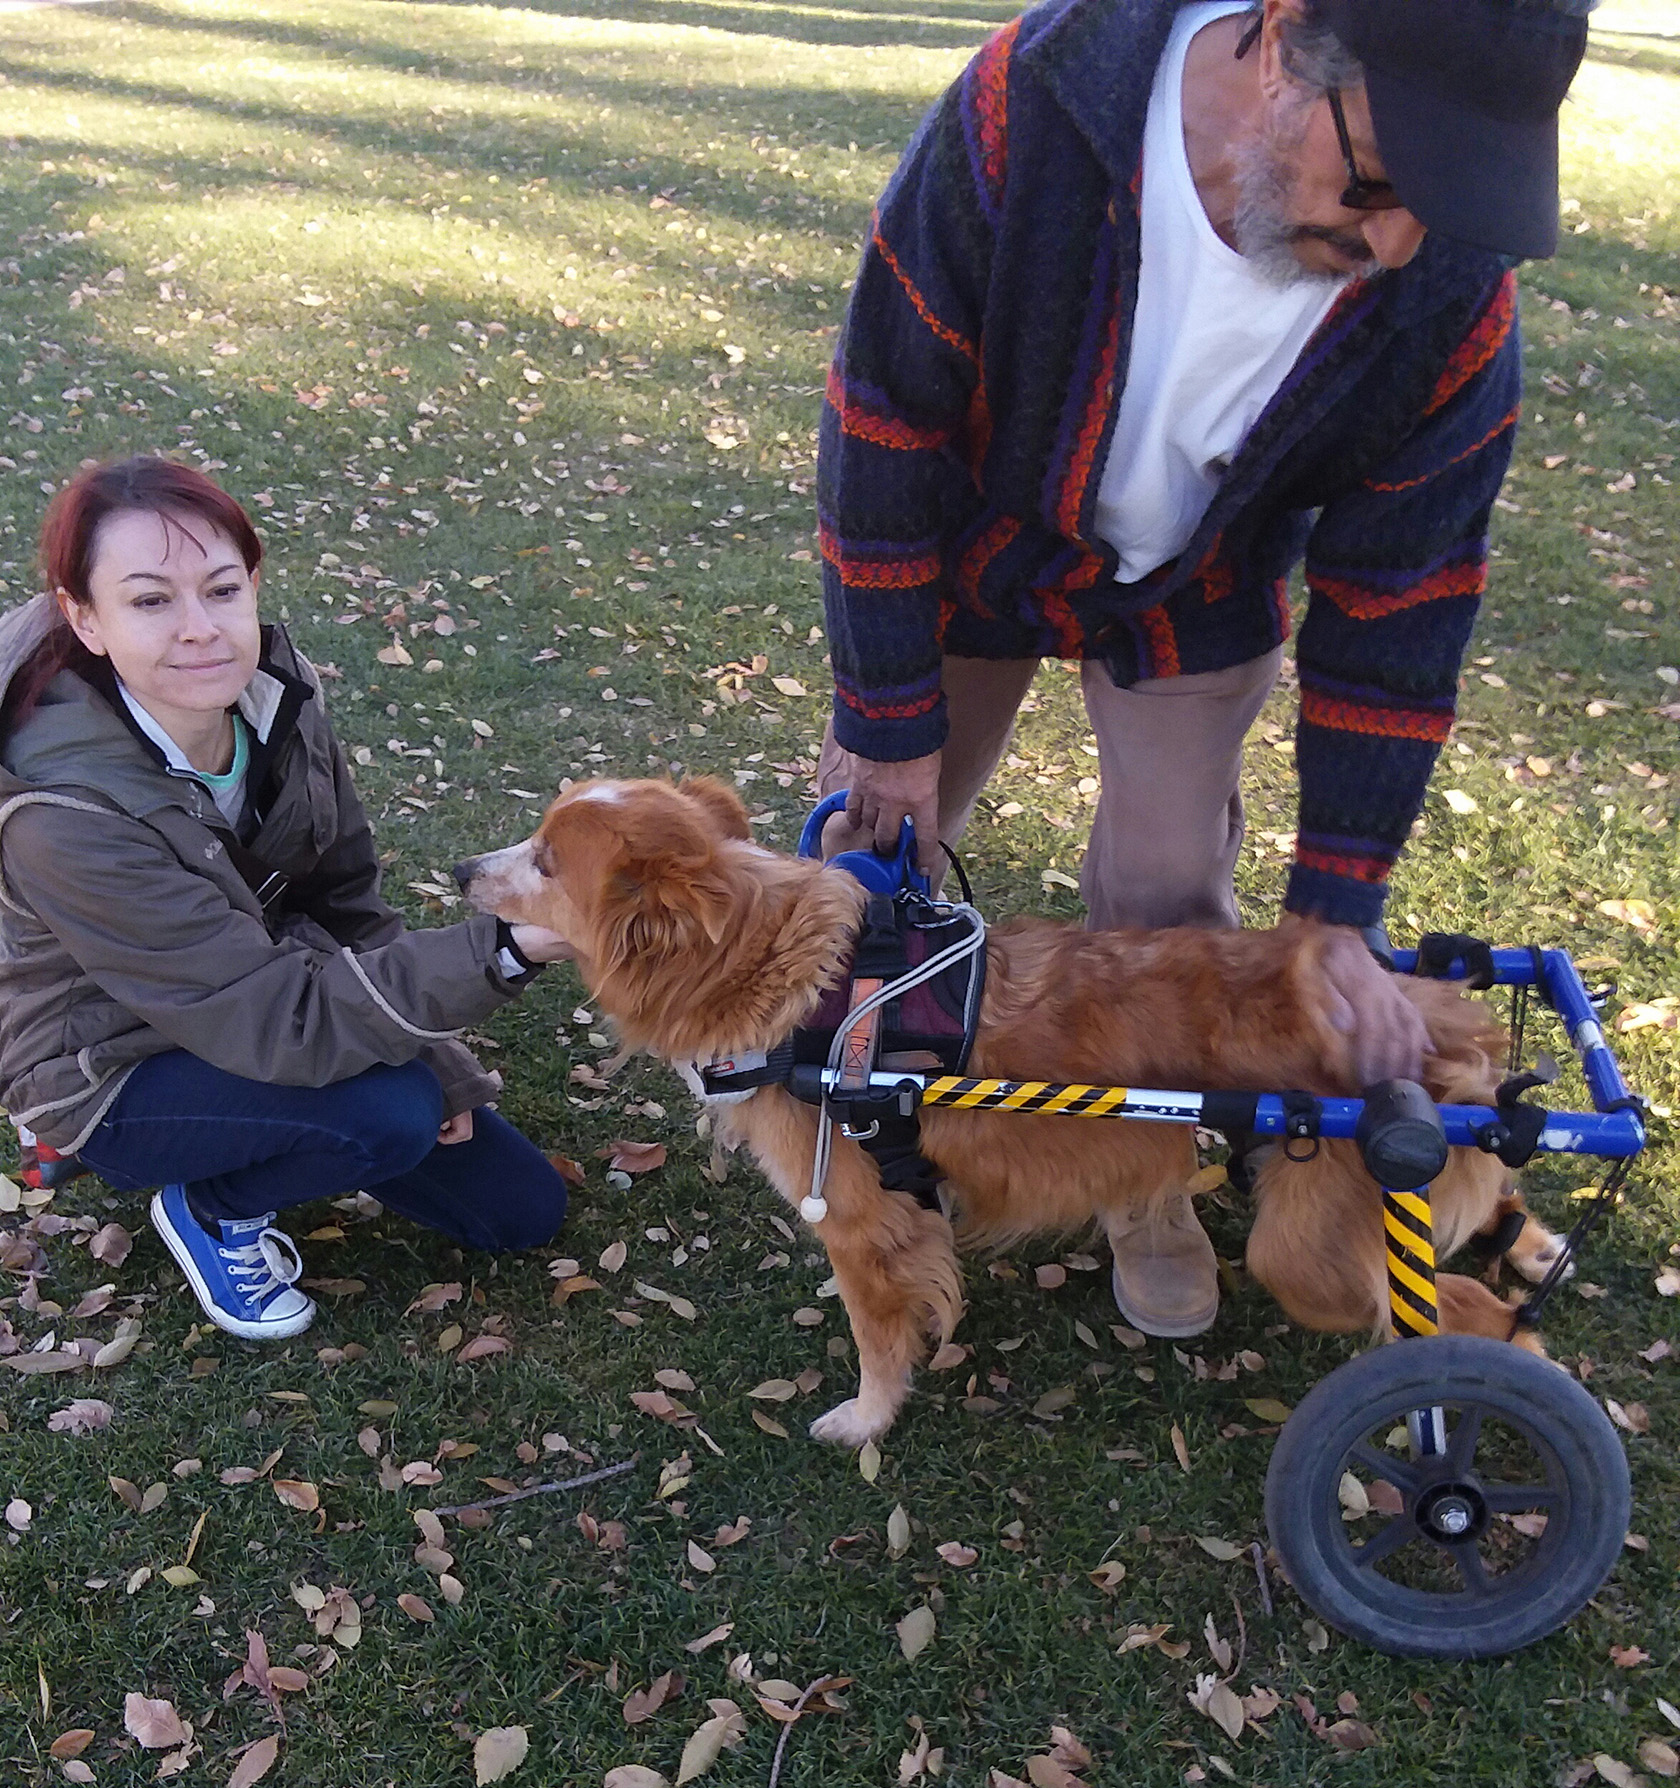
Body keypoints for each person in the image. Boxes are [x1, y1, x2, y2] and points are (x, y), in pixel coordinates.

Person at [815, 0, 1591, 1334]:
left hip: (1202, 589)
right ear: (1283, 39)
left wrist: (1336, 911)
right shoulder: (1036, 101)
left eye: (1447, 203)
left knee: (1170, 898)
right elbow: (886, 410)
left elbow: (1402, 602)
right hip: (976, 546)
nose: (1396, 243)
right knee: (871, 857)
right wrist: (887, 722)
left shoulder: (1447, 285)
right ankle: (872, 1135)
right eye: (1379, 181)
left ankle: (1144, 1174)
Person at [0, 457, 575, 1342]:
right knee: (389, 1115)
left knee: (519, 1211)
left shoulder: (276, 693)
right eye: (150, 601)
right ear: (87, 619)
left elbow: (345, 896)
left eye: (222, 589)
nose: (201, 630)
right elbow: (277, 1019)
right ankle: (211, 1205)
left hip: (262, 991)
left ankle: (281, 1134)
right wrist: (506, 949)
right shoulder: (64, 815)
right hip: (110, 1066)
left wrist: (444, 1061)